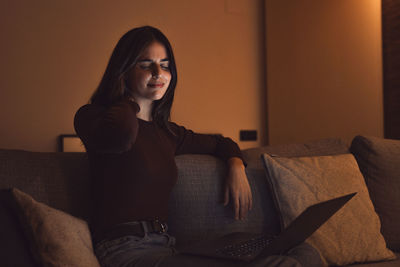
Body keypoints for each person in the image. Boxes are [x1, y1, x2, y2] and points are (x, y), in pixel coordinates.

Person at [74, 26, 321, 267]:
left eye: (165, 64)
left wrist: (235, 165)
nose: (158, 72)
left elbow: (222, 143)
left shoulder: (168, 133)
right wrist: (126, 98)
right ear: (124, 70)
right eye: (145, 64)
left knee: (302, 250)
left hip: (167, 248)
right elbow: (122, 135)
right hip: (124, 251)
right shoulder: (92, 117)